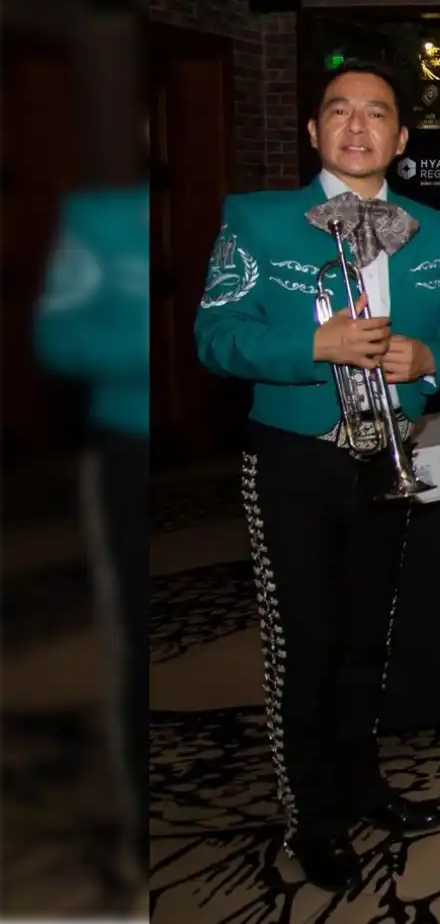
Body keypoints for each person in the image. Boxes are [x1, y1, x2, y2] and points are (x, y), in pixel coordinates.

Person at [194, 60, 440, 888]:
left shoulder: (435, 228)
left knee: (365, 637)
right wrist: (310, 346)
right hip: (295, 457)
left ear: (401, 137)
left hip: (388, 456)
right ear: (314, 131)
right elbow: (214, 338)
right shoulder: (256, 220)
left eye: (377, 114)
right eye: (339, 112)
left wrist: (429, 359)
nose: (358, 127)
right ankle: (310, 817)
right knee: (305, 642)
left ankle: (360, 782)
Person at [35, 173, 149, 899]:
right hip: (125, 450)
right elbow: (57, 338)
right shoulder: (99, 219)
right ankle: (136, 829)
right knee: (131, 640)